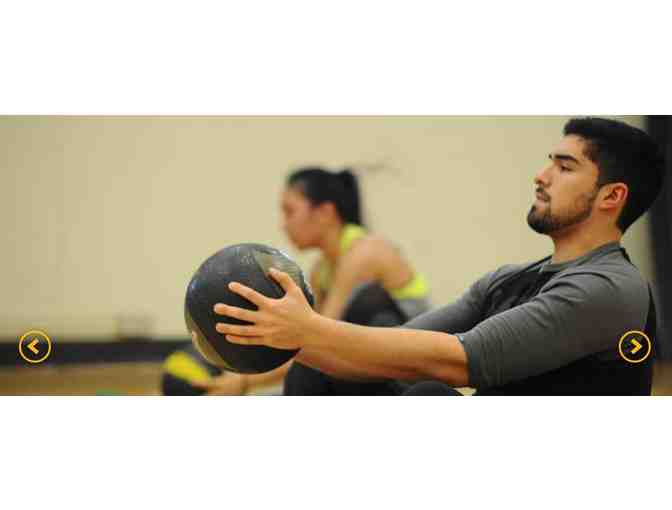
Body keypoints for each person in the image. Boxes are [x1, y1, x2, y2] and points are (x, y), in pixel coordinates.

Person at [212, 117, 666, 396]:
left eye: (564, 167)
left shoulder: (611, 286)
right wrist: (274, 337)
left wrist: (305, 331)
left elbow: (459, 361)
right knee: (321, 372)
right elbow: (382, 351)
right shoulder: (508, 280)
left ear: (612, 197)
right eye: (550, 162)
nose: (541, 176)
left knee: (427, 398)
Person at [200, 167, 431, 395]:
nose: (284, 224)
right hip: (373, 369)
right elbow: (307, 344)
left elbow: (314, 339)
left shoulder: (364, 254)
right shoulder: (321, 271)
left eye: (290, 211)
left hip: (414, 375)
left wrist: (246, 382)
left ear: (325, 213)